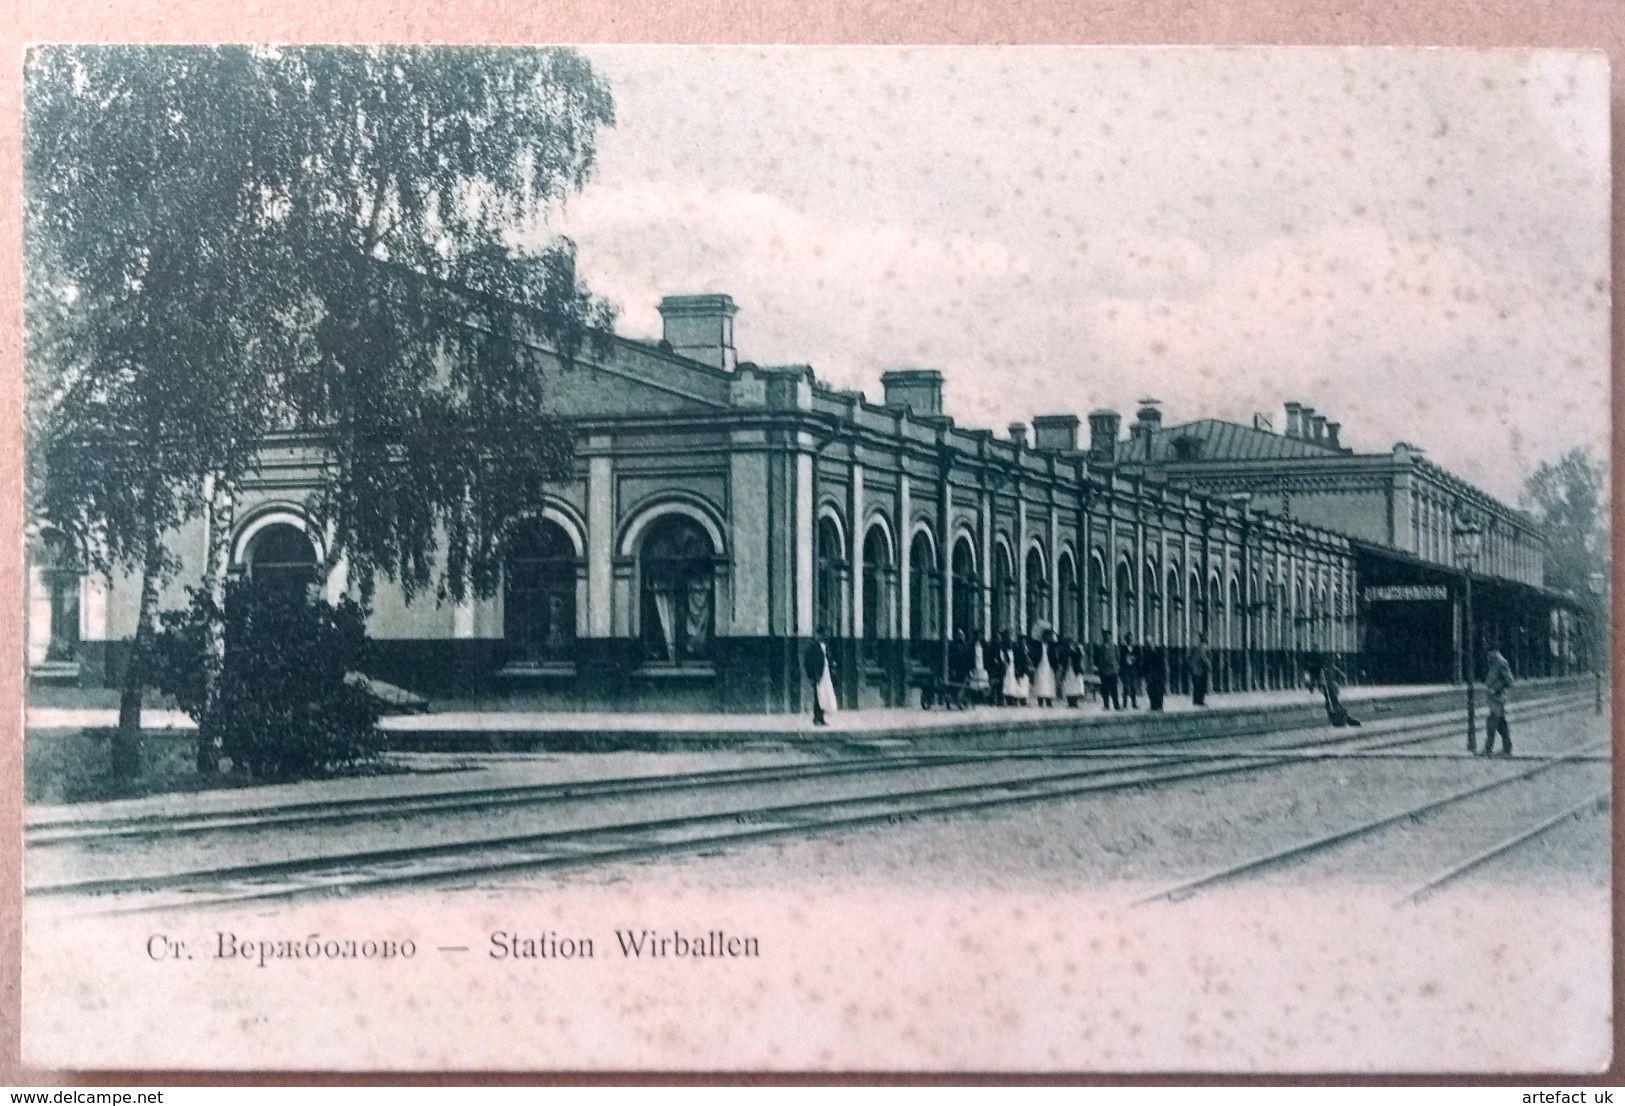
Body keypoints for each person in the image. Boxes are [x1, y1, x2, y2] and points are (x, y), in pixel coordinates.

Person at [1481, 647, 1515, 756]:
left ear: (1493, 652)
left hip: (1498, 698)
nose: (1488, 657)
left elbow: (1509, 680)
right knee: (1500, 724)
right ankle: (1507, 747)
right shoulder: (1495, 661)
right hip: (1494, 699)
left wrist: (1495, 689)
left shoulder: (1500, 661)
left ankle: (1488, 748)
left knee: (1491, 723)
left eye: (1489, 654)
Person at [803, 635, 838, 726]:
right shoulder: (814, 647)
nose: (824, 637)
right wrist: (812, 676)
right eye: (822, 634)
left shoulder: (826, 646)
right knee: (818, 696)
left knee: (824, 697)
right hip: (818, 675)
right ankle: (816, 718)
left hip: (826, 675)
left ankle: (821, 718)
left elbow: (828, 659)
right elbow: (808, 662)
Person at [1322, 655, 1358, 726]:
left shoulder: (1328, 669)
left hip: (1332, 687)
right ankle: (1337, 716)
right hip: (1330, 687)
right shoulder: (1327, 669)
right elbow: (1343, 675)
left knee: (1333, 702)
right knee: (1331, 702)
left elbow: (1342, 675)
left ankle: (1338, 717)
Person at [1094, 629, 1120, 709]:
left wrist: (1116, 666)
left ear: (1111, 637)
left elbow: (1118, 657)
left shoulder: (1114, 646)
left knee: (1114, 689)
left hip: (1112, 670)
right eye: (1105, 636)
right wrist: (1099, 667)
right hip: (1104, 670)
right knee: (1104, 689)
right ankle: (1106, 704)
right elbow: (1096, 658)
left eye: (1108, 636)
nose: (1107, 638)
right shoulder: (1100, 647)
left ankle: (1116, 705)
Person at [1031, 630, 1058, 707]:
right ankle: (1040, 699)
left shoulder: (1051, 645)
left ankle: (1049, 700)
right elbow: (1035, 654)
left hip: (1049, 665)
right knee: (1040, 681)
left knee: (1049, 682)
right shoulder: (1038, 644)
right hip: (1041, 664)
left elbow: (1054, 655)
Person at [1059, 635, 1086, 708]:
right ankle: (1070, 701)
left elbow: (1080, 657)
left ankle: (1074, 701)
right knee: (1068, 686)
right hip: (1068, 669)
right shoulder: (1064, 650)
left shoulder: (1077, 649)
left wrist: (1079, 649)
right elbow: (1062, 660)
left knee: (1076, 686)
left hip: (1075, 669)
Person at [1119, 631, 1142, 709]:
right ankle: (1124, 704)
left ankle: (1134, 703)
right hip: (1126, 670)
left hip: (1133, 670)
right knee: (1125, 687)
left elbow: (1140, 658)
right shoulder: (1123, 648)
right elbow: (1120, 660)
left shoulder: (1136, 648)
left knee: (1133, 687)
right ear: (1126, 640)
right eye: (1128, 639)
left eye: (1131, 638)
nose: (1129, 640)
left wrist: (1134, 658)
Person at [1143, 638, 1167, 712]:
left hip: (1158, 675)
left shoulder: (1159, 652)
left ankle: (1159, 705)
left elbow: (1163, 664)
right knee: (1151, 690)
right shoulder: (1146, 653)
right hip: (1150, 675)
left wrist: (1164, 675)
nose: (1149, 645)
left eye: (1150, 643)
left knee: (1159, 690)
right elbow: (1144, 665)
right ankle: (1153, 705)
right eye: (1147, 643)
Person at [966, 634, 991, 703]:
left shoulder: (983, 648)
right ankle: (974, 698)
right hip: (975, 667)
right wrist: (971, 668)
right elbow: (970, 658)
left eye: (979, 641)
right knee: (975, 683)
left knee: (983, 683)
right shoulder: (972, 649)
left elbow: (986, 657)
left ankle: (982, 698)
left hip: (982, 666)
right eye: (976, 641)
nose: (978, 642)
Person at [1189, 632, 1211, 706]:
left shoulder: (1196, 648)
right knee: (1201, 686)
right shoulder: (1203, 647)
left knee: (1196, 686)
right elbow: (1204, 658)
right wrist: (1208, 665)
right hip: (1200, 670)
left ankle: (1196, 700)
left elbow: (1190, 658)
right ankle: (1199, 701)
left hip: (1194, 670)